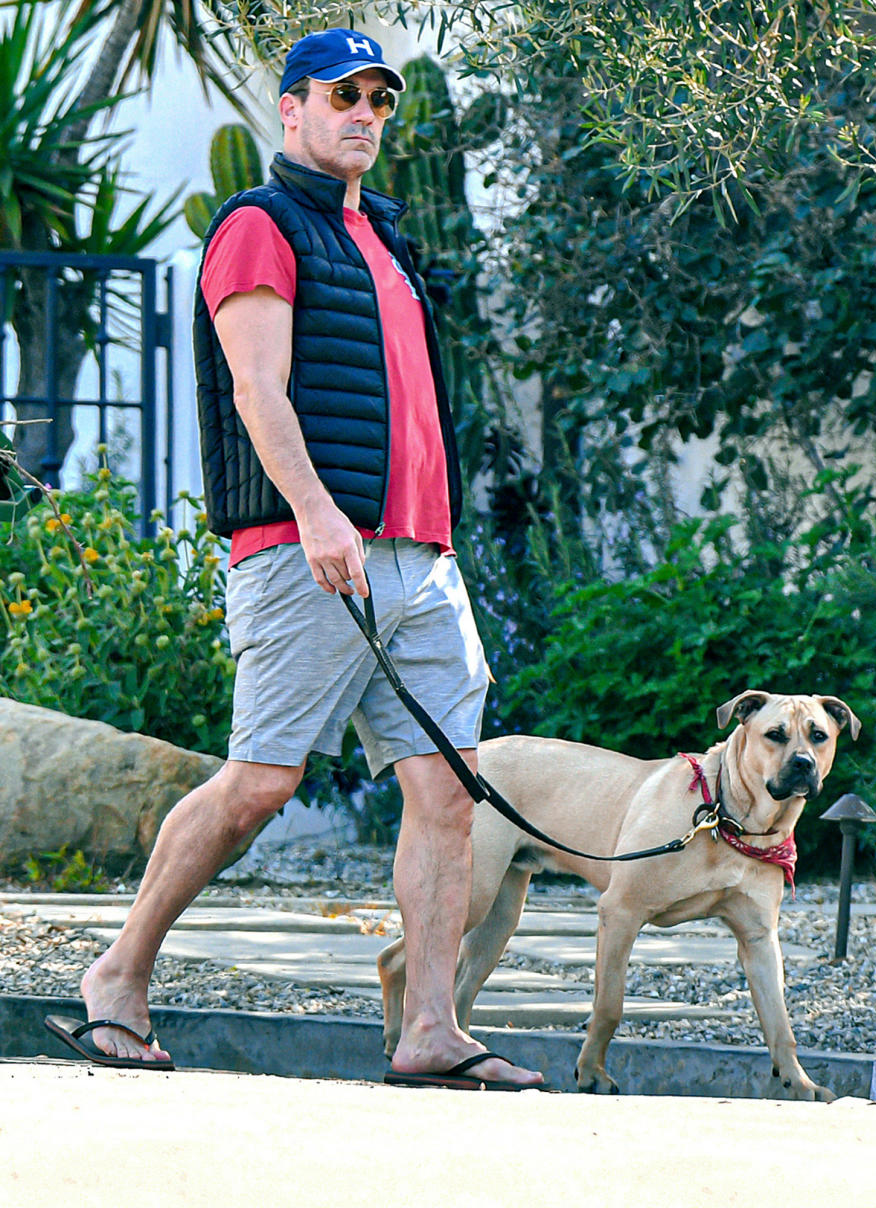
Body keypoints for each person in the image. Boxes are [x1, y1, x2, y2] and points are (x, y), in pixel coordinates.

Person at [52, 28, 542, 1091]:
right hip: (307, 551)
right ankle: (117, 974)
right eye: (341, 96)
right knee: (259, 783)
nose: (363, 113)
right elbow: (257, 388)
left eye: (378, 98)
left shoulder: (388, 243)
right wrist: (320, 516)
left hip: (422, 561)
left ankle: (428, 1027)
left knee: (448, 793)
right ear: (291, 106)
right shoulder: (259, 225)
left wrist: (428, 539)